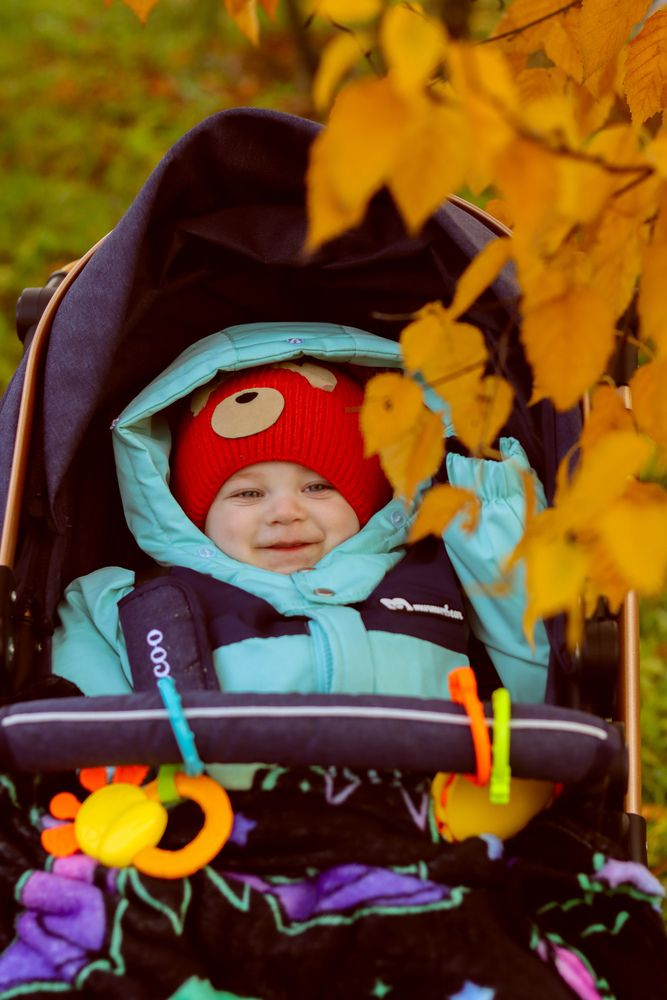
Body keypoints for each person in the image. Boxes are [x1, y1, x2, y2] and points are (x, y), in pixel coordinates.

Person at [52, 320, 549, 703]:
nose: (285, 512)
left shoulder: (437, 575)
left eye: (318, 487)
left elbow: (540, 671)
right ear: (190, 514)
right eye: (248, 494)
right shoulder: (137, 608)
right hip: (213, 808)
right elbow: (81, 739)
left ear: (374, 500)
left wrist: (493, 499)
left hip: (437, 802)